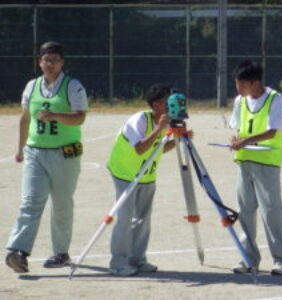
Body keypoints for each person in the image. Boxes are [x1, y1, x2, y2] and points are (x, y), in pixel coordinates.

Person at [5, 41, 88, 273]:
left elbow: (79, 118)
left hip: (65, 153)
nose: (50, 64)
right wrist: (20, 148)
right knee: (30, 201)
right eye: (46, 60)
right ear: (39, 62)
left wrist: (56, 116)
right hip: (35, 152)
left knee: (61, 204)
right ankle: (18, 251)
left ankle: (60, 252)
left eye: (54, 60)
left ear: (62, 62)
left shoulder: (74, 86)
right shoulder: (32, 86)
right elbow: (25, 118)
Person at [229, 60, 282, 275]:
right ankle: (248, 258)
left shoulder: (275, 98)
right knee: (244, 211)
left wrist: (245, 141)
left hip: (267, 161)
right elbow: (236, 127)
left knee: (271, 211)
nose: (238, 88)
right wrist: (236, 138)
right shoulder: (240, 101)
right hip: (244, 161)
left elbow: (272, 131)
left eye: (242, 84)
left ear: (255, 82)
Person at [107, 84, 176, 276]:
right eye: (166, 101)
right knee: (125, 218)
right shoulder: (139, 120)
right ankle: (118, 262)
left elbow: (159, 149)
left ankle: (137, 259)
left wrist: (177, 139)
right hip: (125, 173)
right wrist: (160, 128)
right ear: (156, 104)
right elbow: (140, 148)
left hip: (147, 175)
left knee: (143, 220)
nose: (170, 105)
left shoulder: (167, 121)